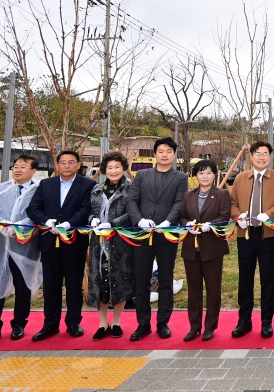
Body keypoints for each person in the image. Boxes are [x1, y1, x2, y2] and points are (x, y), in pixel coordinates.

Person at [26, 150, 97, 341]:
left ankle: (74, 322)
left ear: (78, 164)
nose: (67, 165)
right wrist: (46, 221)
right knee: (51, 285)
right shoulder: (45, 184)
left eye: (71, 162)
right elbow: (32, 208)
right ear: (57, 165)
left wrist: (68, 224)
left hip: (74, 240)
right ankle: (50, 324)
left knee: (74, 284)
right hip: (49, 240)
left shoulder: (88, 185)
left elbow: (86, 209)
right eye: (63, 162)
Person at [126, 137, 188, 341]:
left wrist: (168, 222)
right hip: (143, 234)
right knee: (142, 279)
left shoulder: (180, 178)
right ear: (155, 154)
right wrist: (139, 220)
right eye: (160, 150)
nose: (164, 154)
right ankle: (142, 323)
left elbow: (179, 202)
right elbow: (132, 200)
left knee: (165, 278)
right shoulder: (142, 175)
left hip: (166, 234)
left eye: (168, 151)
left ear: (173, 155)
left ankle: (163, 322)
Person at [0, 155, 43, 345]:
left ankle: (19, 324)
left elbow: (37, 214)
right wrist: (1, 224)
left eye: (23, 167)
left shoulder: (38, 190)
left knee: (23, 286)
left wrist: (18, 227)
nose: (17, 170)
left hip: (24, 246)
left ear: (33, 170)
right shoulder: (1, 188)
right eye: (15, 166)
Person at [230, 141, 274, 338]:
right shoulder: (240, 179)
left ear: (270, 157)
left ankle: (266, 321)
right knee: (245, 278)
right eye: (257, 153)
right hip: (245, 234)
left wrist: (269, 214)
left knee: (268, 278)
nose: (261, 157)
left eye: (265, 153)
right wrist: (239, 218)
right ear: (251, 156)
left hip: (268, 234)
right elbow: (233, 203)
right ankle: (244, 320)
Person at [179, 159, 231, 342]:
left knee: (213, 289)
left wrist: (212, 225)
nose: (205, 176)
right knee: (194, 290)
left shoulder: (222, 194)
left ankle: (210, 326)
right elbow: (183, 216)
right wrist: (188, 225)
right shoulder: (189, 195)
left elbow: (225, 217)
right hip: (191, 249)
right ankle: (194, 326)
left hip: (212, 248)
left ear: (214, 174)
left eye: (209, 172)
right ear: (196, 175)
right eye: (201, 173)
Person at [86, 151, 135, 341]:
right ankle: (102, 323)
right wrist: (92, 220)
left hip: (120, 242)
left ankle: (116, 321)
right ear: (104, 170)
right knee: (100, 280)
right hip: (98, 243)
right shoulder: (96, 189)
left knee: (119, 278)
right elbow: (90, 211)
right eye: (109, 167)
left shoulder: (130, 189)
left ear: (123, 168)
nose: (113, 171)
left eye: (117, 167)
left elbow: (132, 214)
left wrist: (113, 224)